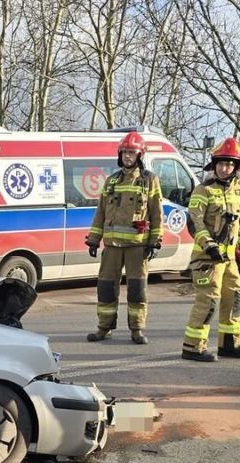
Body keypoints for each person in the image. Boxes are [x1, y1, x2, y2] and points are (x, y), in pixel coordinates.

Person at [181, 137, 240, 361]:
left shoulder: (238, 191)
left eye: (230, 164)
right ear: (214, 165)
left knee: (235, 298)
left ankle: (229, 344)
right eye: (222, 163)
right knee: (208, 302)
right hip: (207, 259)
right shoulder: (202, 191)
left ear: (236, 167)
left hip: (230, 258)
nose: (226, 168)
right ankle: (192, 347)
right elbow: (195, 222)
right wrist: (209, 245)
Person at [84, 131, 163, 344]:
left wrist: (155, 241)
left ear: (140, 155)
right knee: (106, 287)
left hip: (138, 246)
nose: (128, 156)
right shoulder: (111, 181)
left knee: (137, 289)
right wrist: (93, 239)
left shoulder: (149, 181)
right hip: (112, 246)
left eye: (132, 152)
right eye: (125, 152)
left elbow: (156, 213)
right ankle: (104, 327)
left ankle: (137, 329)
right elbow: (100, 212)